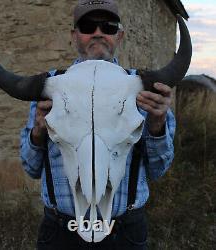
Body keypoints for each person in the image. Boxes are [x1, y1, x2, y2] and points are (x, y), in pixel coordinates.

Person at [20, 0, 175, 249]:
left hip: (125, 232)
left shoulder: (147, 92)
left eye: (108, 26)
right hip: (60, 232)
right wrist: (39, 131)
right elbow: (31, 167)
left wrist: (156, 125)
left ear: (120, 35)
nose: (98, 33)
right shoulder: (48, 89)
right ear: (74, 35)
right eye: (88, 26)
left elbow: (158, 170)